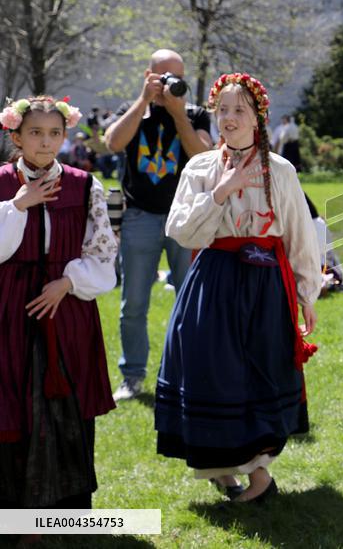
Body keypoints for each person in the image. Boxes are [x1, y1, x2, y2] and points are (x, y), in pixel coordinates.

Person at [155, 72, 322, 504]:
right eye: (222, 110)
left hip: (265, 281)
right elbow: (180, 230)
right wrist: (221, 191)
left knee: (259, 370)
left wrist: (307, 294)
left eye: (239, 110)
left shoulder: (279, 170)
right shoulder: (201, 167)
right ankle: (223, 470)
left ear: (257, 118)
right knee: (212, 368)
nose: (229, 118)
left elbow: (300, 235)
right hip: (215, 277)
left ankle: (258, 469)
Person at [0, 96, 117, 509]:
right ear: (15, 136)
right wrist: (17, 205)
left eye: (54, 133)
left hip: (66, 306)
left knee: (64, 397)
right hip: (10, 308)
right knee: (12, 396)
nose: (45, 143)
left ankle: (64, 506)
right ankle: (14, 506)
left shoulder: (84, 185)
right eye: (34, 133)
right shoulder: (0, 182)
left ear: (65, 136)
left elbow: (103, 254)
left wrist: (67, 283)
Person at [103, 49, 212, 401]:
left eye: (176, 77)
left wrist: (179, 115)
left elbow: (203, 156)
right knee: (133, 302)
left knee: (190, 298)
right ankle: (132, 376)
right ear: (148, 75)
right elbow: (112, 142)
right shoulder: (133, 112)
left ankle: (188, 373)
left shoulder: (194, 114)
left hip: (185, 217)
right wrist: (143, 100)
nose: (169, 85)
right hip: (140, 217)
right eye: (163, 77)